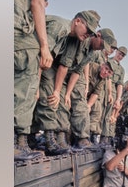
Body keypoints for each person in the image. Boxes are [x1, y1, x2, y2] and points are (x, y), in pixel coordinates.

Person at [14, 0, 65, 160]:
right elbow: (37, 3)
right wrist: (44, 46)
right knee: (27, 75)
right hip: (18, 28)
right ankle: (17, 142)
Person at [30, 12, 99, 155]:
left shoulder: (75, 38)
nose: (89, 35)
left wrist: (63, 92)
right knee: (48, 95)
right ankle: (44, 137)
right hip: (33, 60)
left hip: (48, 66)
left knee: (59, 97)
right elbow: (40, 55)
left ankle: (52, 137)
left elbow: (70, 68)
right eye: (88, 31)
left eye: (92, 33)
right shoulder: (61, 27)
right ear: (78, 21)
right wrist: (36, 85)